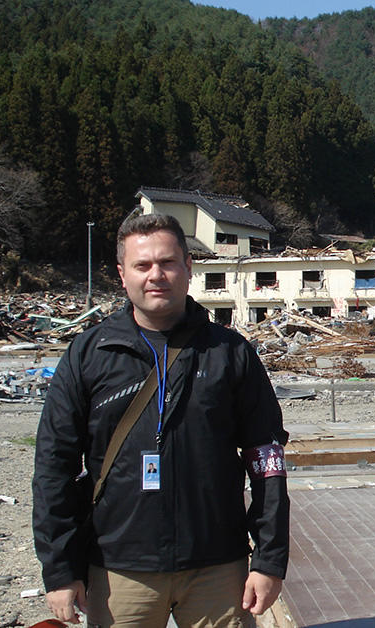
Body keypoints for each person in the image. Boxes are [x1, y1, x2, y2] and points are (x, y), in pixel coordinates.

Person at [32, 214, 289, 627]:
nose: (156, 275)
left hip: (217, 568)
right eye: (143, 265)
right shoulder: (90, 354)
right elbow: (53, 466)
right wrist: (59, 569)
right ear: (122, 274)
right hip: (119, 569)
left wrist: (269, 560)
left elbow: (267, 460)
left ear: (188, 267)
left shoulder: (229, 353)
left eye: (168, 262)